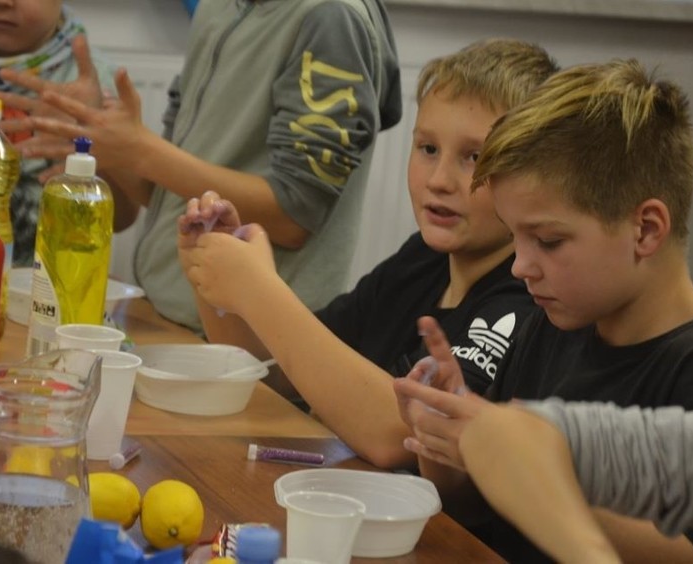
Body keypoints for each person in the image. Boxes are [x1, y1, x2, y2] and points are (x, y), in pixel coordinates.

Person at [392, 59, 693, 562]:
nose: (522, 267)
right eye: (516, 236)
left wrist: (528, 477)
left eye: (548, 240)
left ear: (646, 230)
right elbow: (476, 507)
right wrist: (449, 441)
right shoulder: (548, 324)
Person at [176, 39, 557, 468]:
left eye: (473, 157)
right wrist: (216, 277)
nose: (440, 180)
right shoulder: (421, 259)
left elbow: (400, 435)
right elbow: (276, 372)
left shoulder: (527, 297)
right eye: (428, 149)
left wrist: (258, 289)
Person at [0, 0, 403, 335]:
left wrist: (142, 151)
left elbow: (293, 215)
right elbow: (167, 192)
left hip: (259, 348)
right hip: (176, 318)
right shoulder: (216, 8)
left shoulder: (332, 17)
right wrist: (105, 137)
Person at [392, 279, 693, 563]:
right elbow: (521, 439)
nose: (520, 266)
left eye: (549, 240)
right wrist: (460, 430)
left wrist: (521, 476)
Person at [0, 0, 116, 266]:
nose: (1, 2)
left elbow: (122, 218)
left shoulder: (91, 79)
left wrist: (91, 136)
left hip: (48, 284)